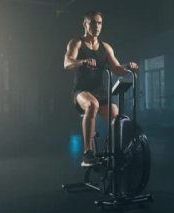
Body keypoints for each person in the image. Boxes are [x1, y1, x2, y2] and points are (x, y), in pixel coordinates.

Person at [63, 10, 138, 166]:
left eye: (99, 23)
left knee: (117, 119)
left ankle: (114, 152)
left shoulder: (106, 47)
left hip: (102, 92)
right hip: (81, 91)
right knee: (92, 105)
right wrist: (82, 62)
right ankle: (87, 154)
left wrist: (128, 67)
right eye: (93, 22)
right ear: (85, 24)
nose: (97, 26)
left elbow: (117, 69)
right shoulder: (76, 42)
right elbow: (67, 63)